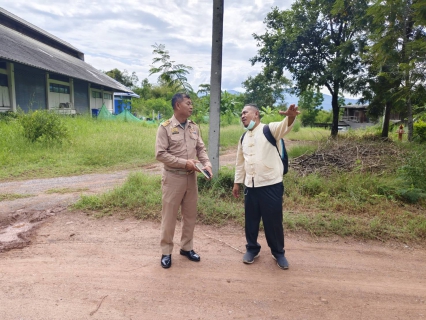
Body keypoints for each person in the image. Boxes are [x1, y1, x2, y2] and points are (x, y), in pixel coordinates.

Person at [232, 103, 299, 270]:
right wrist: (237, 183)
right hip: (251, 187)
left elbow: (284, 126)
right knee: (251, 220)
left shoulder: (269, 130)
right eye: (241, 113)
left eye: (245, 112)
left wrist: (290, 116)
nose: (242, 115)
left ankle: (278, 253)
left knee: (273, 221)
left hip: (271, 185)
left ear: (256, 114)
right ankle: (252, 249)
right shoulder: (243, 138)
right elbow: (240, 163)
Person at [155, 92, 213, 269]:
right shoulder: (164, 127)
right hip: (173, 178)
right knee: (169, 217)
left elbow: (201, 149)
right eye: (188, 103)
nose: (191, 106)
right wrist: (184, 163)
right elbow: (160, 154)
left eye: (191, 103)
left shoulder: (194, 127)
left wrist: (207, 164)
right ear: (177, 105)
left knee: (190, 216)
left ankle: (186, 248)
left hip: (191, 179)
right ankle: (166, 252)